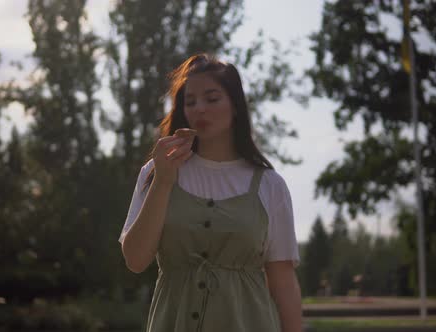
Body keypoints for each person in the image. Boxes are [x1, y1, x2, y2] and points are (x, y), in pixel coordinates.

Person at [119, 54, 302, 332]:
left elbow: (283, 281)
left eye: (212, 98)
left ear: (236, 106)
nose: (199, 109)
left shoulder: (270, 185)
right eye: (190, 101)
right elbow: (135, 260)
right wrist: (164, 181)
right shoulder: (157, 171)